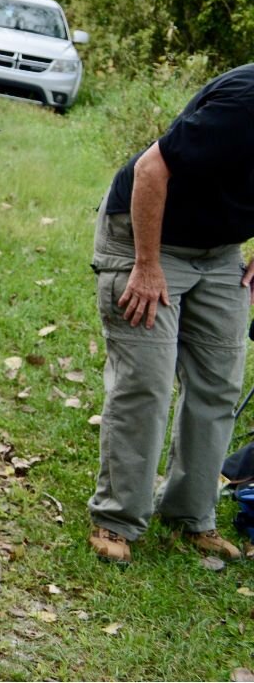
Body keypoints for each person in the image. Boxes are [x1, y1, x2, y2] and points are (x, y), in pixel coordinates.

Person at [87, 63, 254, 565]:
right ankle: (117, 518)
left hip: (219, 249)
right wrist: (146, 265)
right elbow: (150, 170)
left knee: (219, 383)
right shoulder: (245, 102)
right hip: (146, 237)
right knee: (148, 383)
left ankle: (190, 516)